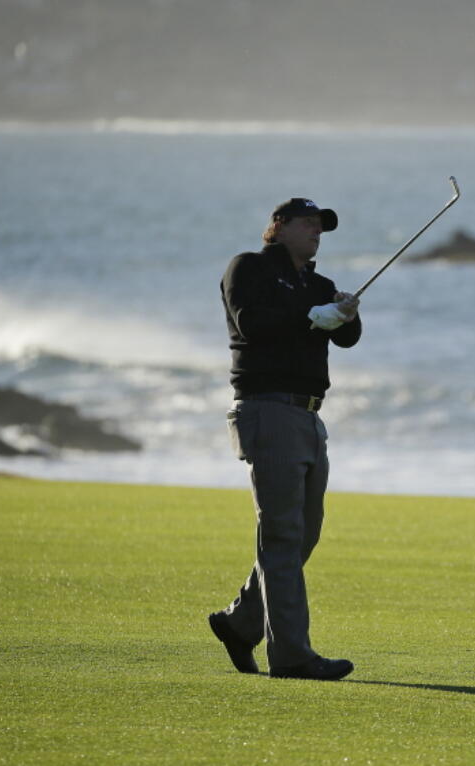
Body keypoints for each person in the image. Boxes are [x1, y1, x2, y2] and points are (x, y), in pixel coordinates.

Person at [208, 197, 361, 680]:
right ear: (278, 226)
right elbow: (251, 324)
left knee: (304, 533)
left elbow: (348, 339)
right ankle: (292, 654)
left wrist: (345, 313)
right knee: (282, 535)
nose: (317, 231)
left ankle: (240, 623)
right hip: (267, 408)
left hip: (309, 415)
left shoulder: (316, 282)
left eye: (322, 226)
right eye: (308, 223)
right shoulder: (248, 268)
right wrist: (312, 315)